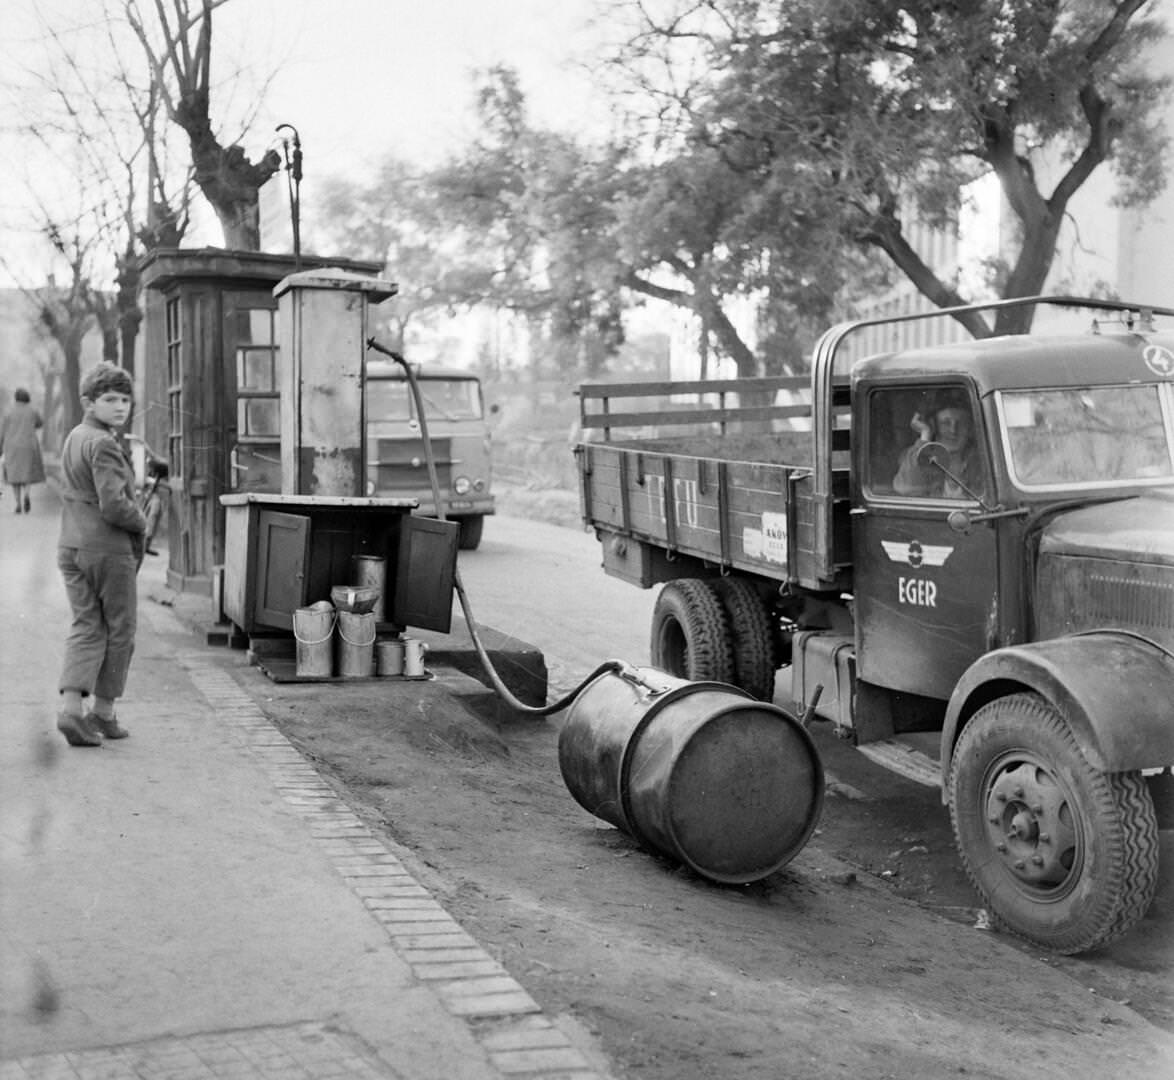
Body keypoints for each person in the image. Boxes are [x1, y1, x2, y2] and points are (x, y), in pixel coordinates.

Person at [55, 362, 148, 748]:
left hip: (71, 545)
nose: (120, 407)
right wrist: (140, 520)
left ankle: (72, 711)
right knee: (120, 629)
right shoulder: (105, 443)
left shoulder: (76, 436)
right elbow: (114, 507)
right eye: (110, 399)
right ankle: (105, 712)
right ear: (88, 402)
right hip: (108, 550)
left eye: (125, 399)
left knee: (87, 625)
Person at [893, 394, 984, 499]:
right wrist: (925, 434)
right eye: (945, 423)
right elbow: (906, 488)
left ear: (969, 429)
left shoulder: (981, 463)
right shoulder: (916, 458)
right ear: (934, 427)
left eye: (961, 423)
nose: (953, 430)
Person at [0, 387, 47, 513]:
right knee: (26, 474)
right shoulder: (32, 410)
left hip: (12, 447)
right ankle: (27, 495)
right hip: (28, 445)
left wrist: (1, 447)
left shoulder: (8, 411)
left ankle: (18, 504)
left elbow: (2, 431)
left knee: (14, 476)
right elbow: (40, 423)